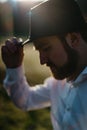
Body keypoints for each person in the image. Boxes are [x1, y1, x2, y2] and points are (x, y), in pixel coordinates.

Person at [1, 0, 87, 129]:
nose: (42, 61)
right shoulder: (58, 84)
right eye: (39, 51)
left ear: (73, 39)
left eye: (46, 48)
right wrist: (14, 67)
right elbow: (25, 100)